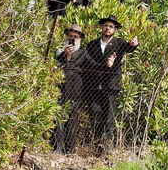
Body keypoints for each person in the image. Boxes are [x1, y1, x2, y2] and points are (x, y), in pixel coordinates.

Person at [75, 16, 138, 146]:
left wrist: (134, 44)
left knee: (109, 113)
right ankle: (96, 140)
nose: (108, 28)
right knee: (95, 111)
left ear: (115, 29)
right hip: (94, 83)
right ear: (102, 27)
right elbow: (88, 62)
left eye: (111, 26)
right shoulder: (92, 44)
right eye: (106, 26)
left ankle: (107, 143)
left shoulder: (119, 43)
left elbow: (129, 48)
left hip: (110, 83)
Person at [50, 23, 86, 154]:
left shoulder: (84, 53)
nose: (73, 39)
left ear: (80, 38)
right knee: (59, 113)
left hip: (76, 88)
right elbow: (57, 62)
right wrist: (66, 55)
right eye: (70, 36)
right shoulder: (59, 50)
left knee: (73, 116)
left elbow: (94, 66)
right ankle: (57, 146)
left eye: (75, 37)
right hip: (61, 85)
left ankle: (70, 148)